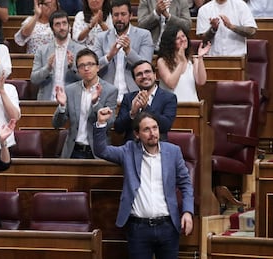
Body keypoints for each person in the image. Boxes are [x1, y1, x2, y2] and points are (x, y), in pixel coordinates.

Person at [93, 110, 194, 259]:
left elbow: (186, 184)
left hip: (168, 226)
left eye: (155, 128)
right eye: (146, 129)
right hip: (138, 229)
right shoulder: (129, 151)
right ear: (137, 134)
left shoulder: (173, 152)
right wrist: (101, 123)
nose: (152, 133)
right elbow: (101, 150)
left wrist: (187, 212)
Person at [52, 48, 118, 159]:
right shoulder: (70, 90)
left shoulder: (110, 90)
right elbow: (56, 124)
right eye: (81, 66)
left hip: (98, 151)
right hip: (74, 150)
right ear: (78, 70)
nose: (86, 68)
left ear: (98, 67)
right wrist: (62, 106)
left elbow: (110, 123)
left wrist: (96, 103)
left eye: (90, 64)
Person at [94, 0, 154, 103]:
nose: (119, 19)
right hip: (106, 94)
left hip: (135, 94)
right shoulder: (101, 38)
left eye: (123, 14)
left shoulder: (144, 35)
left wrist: (129, 51)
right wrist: (109, 56)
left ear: (130, 15)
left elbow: (146, 66)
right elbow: (94, 66)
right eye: (116, 15)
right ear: (111, 17)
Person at [114, 60, 177, 143]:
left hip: (157, 147)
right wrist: (132, 113)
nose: (144, 76)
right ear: (135, 80)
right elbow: (118, 129)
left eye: (147, 72)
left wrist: (146, 107)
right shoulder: (128, 98)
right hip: (132, 148)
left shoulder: (169, 97)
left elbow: (165, 126)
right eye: (139, 74)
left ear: (155, 75)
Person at [30, 10, 85, 100]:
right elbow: (34, 79)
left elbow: (86, 79)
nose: (62, 27)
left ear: (69, 26)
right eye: (57, 24)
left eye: (64, 23)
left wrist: (72, 67)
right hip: (47, 101)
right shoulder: (42, 50)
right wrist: (47, 68)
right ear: (52, 28)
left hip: (71, 101)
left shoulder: (80, 50)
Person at [157, 25, 211, 102]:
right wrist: (182, 62)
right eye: (178, 38)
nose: (183, 39)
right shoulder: (162, 61)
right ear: (170, 42)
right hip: (171, 106)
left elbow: (201, 81)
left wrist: (200, 57)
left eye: (183, 36)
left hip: (192, 105)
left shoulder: (192, 59)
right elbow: (171, 84)